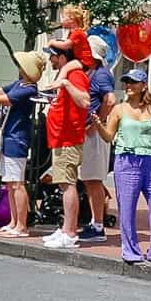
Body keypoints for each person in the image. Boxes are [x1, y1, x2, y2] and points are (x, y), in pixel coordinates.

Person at [97, 67, 151, 263]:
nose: (128, 86)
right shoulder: (119, 109)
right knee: (127, 208)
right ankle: (130, 251)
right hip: (127, 161)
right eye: (126, 82)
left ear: (143, 85)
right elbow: (108, 137)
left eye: (133, 82)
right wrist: (98, 125)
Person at [40, 35, 92, 249]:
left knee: (68, 184)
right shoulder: (68, 74)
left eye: (53, 58)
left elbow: (85, 100)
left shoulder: (75, 74)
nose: (51, 62)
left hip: (69, 138)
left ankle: (70, 233)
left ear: (62, 57)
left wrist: (66, 83)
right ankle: (65, 228)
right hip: (61, 138)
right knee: (63, 183)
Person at [0, 51, 43, 238]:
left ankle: (22, 225)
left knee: (18, 183)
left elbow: (0, 98)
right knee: (10, 183)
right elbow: (0, 91)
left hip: (17, 137)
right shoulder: (20, 84)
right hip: (8, 135)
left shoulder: (29, 89)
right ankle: (13, 221)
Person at [78, 34, 118, 244]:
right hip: (88, 132)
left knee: (93, 180)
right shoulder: (92, 72)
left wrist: (98, 122)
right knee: (88, 179)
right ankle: (95, 222)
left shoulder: (101, 74)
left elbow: (110, 100)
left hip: (94, 135)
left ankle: (98, 225)